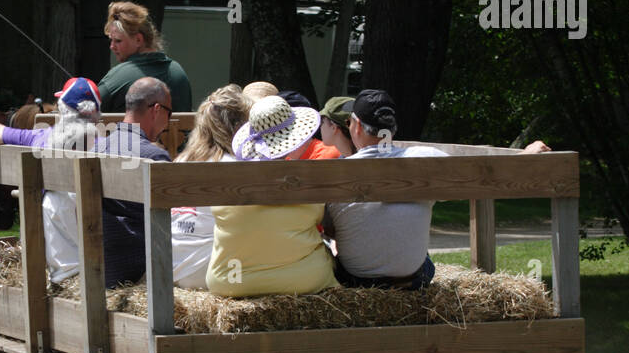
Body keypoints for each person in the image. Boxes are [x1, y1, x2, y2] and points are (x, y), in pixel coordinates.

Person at [0, 78, 102, 284]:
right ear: (95, 114)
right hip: (97, 260)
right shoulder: (107, 146)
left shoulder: (40, 138)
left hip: (50, 261)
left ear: (62, 110)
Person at [205, 95, 338, 296]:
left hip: (231, 282)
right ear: (294, 138)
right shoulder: (309, 184)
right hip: (304, 281)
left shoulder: (225, 185)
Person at [323, 89, 446, 290]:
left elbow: (329, 229)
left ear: (357, 127)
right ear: (393, 128)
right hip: (414, 279)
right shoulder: (427, 157)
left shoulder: (337, 173)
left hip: (357, 281)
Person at [91, 77, 172, 287]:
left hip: (100, 264)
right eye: (169, 113)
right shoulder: (154, 157)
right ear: (156, 109)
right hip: (140, 269)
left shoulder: (95, 150)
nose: (169, 121)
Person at [170, 85, 251, 289]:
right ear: (238, 126)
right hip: (213, 272)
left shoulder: (181, 160)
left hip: (172, 267)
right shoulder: (235, 167)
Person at [96, 2, 192, 114]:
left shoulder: (117, 77)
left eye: (118, 41)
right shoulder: (178, 72)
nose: (112, 46)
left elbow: (87, 114)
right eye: (111, 40)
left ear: (138, 40)